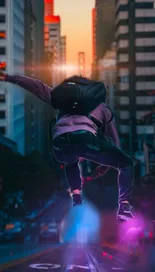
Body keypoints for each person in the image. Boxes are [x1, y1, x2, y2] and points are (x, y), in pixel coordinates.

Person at [0, 71, 135, 221]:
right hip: (85, 139)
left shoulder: (61, 100)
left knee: (71, 161)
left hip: (59, 144)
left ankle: (77, 199)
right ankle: (124, 206)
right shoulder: (102, 107)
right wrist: (104, 166)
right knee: (126, 163)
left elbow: (35, 86)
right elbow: (115, 143)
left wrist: (9, 77)